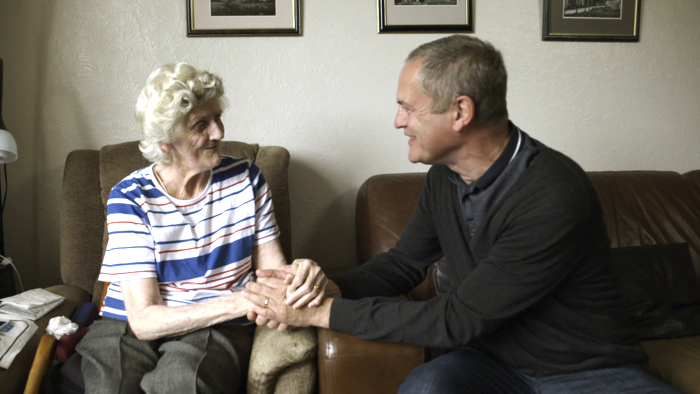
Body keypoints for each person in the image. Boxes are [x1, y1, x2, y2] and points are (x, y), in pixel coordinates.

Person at [243, 35, 684, 393]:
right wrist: (323, 284)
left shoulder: (552, 192)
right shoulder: (444, 176)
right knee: (425, 388)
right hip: (491, 362)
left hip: (586, 372)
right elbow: (402, 264)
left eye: (408, 106)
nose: (398, 121)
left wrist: (320, 313)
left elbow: (456, 319)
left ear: (460, 111)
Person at [75, 63, 327, 393]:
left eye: (218, 117)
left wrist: (302, 275)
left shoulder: (247, 180)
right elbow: (144, 319)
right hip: (127, 323)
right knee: (112, 386)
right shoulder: (130, 196)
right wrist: (241, 302)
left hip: (219, 327)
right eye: (200, 125)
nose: (219, 132)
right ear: (165, 140)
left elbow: (274, 277)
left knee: (181, 384)